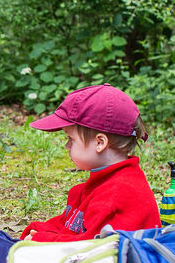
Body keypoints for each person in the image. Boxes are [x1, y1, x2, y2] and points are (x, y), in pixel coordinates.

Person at [20, 83, 160, 242]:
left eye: (71, 139)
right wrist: (36, 231)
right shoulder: (101, 183)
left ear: (99, 143)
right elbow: (68, 226)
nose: (67, 146)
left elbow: (90, 248)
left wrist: (41, 241)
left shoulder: (120, 193)